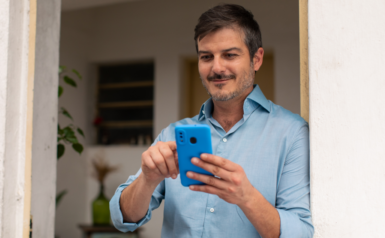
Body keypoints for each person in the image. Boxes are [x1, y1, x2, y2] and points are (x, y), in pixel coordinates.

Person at [110, 4, 313, 238]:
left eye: (230, 55)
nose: (216, 68)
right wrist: (147, 179)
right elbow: (122, 219)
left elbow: (300, 232)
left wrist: (247, 197)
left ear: (256, 59)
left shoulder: (292, 133)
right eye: (206, 57)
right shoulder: (173, 134)